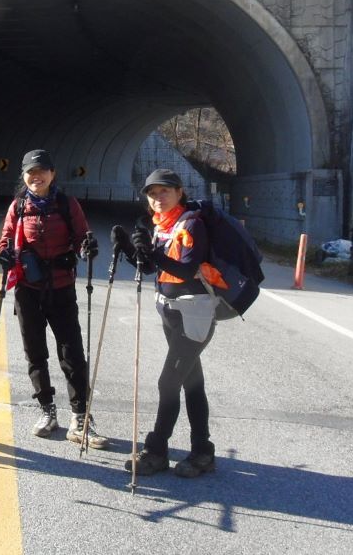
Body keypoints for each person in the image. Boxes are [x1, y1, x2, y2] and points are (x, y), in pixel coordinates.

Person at [113, 167, 220, 477]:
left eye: (164, 191)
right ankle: (203, 451)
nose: (158, 197)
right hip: (171, 312)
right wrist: (129, 248)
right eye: (152, 192)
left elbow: (185, 269)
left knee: (168, 382)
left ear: (179, 192)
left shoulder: (191, 224)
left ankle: (157, 450)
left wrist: (151, 252)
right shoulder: (163, 225)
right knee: (191, 382)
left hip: (194, 314)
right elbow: (151, 268)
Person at [0, 149, 106, 448]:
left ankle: (81, 417)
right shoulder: (18, 207)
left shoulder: (67, 205)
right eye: (31, 172)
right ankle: (47, 410)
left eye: (42, 171)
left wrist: (87, 248)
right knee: (35, 353)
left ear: (53, 174)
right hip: (27, 290)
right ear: (24, 176)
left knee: (72, 353)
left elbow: (82, 237)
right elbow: (6, 239)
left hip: (61, 288)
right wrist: (5, 254)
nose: (37, 176)